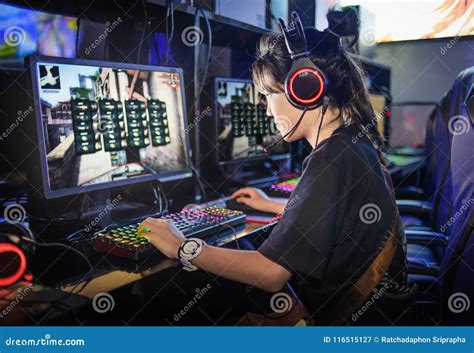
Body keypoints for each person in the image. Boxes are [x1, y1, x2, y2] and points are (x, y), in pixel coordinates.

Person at [138, 8, 407, 324]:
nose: (266, 110)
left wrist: (182, 247)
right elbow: (335, 220)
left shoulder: (330, 160)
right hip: (381, 315)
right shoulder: (351, 143)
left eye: (268, 95)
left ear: (304, 90)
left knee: (195, 300)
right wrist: (277, 205)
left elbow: (271, 274)